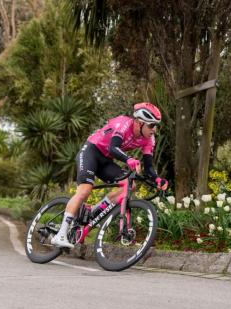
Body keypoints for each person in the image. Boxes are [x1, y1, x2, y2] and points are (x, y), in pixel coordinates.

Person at [51, 102, 169, 248]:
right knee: (85, 189)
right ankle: (60, 234)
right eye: (151, 125)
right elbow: (113, 147)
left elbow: (149, 167)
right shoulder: (124, 124)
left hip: (105, 160)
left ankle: (93, 212)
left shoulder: (149, 140)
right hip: (91, 151)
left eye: (156, 125)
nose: (154, 130)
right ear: (139, 122)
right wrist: (129, 159)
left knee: (129, 184)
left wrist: (158, 179)